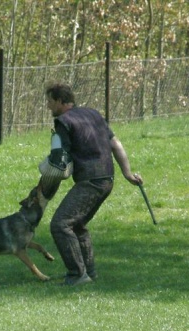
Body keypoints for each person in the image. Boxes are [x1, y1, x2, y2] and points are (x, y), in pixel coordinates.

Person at [43, 82, 143, 285]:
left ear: (60, 101)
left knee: (60, 224)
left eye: (50, 101)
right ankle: (88, 272)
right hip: (107, 179)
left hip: (90, 181)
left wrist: (46, 183)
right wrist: (127, 174)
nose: (48, 106)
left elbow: (60, 161)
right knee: (77, 224)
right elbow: (115, 143)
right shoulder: (93, 114)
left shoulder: (63, 122)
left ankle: (77, 275)